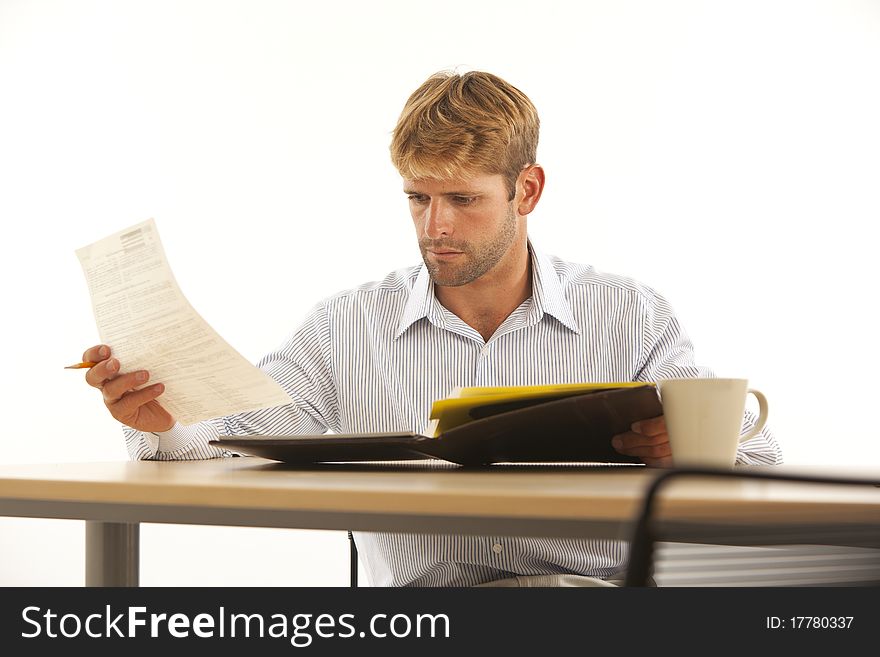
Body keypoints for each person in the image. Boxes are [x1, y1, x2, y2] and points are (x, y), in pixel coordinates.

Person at [81, 70, 782, 587]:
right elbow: (226, 443)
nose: (435, 227)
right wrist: (162, 419)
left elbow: (758, 463)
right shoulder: (348, 326)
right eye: (417, 197)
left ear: (527, 190)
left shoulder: (630, 315)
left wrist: (693, 451)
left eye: (463, 199)